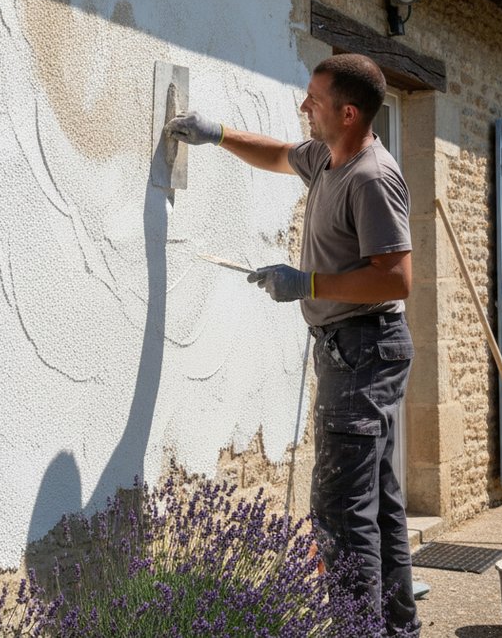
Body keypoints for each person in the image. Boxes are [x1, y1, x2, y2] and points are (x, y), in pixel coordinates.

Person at [165, 54, 418, 637]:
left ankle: (359, 633)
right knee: (377, 507)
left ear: (347, 113)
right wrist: (218, 135)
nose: (304, 105)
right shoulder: (329, 160)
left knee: (341, 514)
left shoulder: (371, 177)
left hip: (362, 351)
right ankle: (395, 632)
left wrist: (307, 283)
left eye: (315, 99)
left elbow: (397, 278)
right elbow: (279, 154)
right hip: (353, 351)